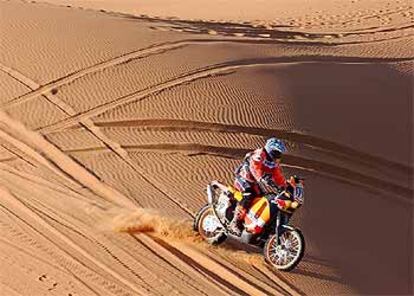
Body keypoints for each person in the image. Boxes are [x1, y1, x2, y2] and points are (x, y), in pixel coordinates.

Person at [229, 137, 287, 235]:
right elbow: (255, 167)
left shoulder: (273, 163)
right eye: (276, 153)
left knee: (261, 199)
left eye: (279, 154)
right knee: (248, 196)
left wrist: (284, 186)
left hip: (254, 182)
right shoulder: (260, 154)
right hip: (244, 178)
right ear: (270, 150)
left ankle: (249, 221)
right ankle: (235, 221)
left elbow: (277, 176)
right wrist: (261, 177)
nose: (278, 156)